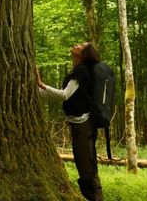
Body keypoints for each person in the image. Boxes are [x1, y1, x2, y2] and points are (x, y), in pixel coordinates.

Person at [36, 42, 103, 201]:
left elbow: (64, 95)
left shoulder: (81, 70)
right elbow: (65, 95)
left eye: (81, 45)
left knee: (86, 167)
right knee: (84, 163)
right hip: (79, 125)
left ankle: (95, 198)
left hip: (83, 125)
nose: (76, 44)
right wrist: (37, 90)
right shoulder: (78, 70)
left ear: (83, 54)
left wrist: (40, 84)